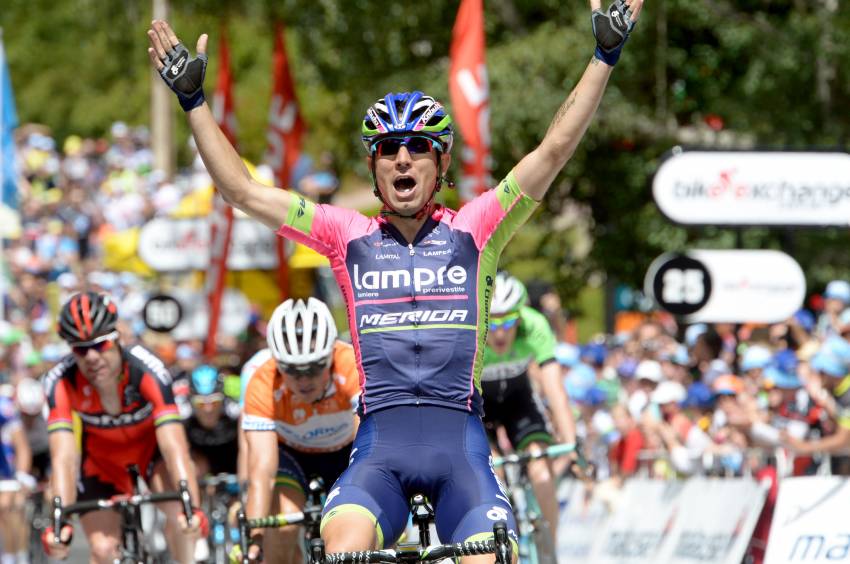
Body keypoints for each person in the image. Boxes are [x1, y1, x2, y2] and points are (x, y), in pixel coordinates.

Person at [146, 1, 642, 559]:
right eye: (387, 148)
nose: (402, 159)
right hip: (379, 452)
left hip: (462, 450)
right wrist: (193, 102)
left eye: (417, 147)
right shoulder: (344, 235)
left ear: (441, 161)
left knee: (488, 555)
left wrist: (604, 55)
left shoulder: (479, 229)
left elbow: (552, 151)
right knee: (342, 548)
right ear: (374, 167)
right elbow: (242, 191)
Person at [41, 292, 206, 563]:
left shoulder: (147, 369)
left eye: (100, 345)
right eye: (80, 349)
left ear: (116, 337)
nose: (92, 357)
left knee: (183, 521)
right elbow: (64, 459)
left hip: (153, 458)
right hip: (102, 466)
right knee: (104, 550)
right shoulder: (60, 381)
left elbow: (174, 447)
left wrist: (193, 508)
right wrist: (59, 522)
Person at [239, 298, 359, 563]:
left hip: (346, 452)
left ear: (330, 355)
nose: (304, 380)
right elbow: (261, 471)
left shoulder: (351, 363)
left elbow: (370, 443)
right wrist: (254, 535)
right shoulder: (262, 381)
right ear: (277, 363)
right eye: (292, 370)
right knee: (282, 525)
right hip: (292, 456)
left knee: (356, 531)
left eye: (315, 368)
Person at [481, 272, 577, 542]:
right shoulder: (471, 333)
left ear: (520, 316)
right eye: (493, 323)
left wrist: (572, 445)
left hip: (518, 399)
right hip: (479, 405)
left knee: (541, 468)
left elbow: (555, 390)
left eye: (509, 321)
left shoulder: (535, 325)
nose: (500, 333)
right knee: (491, 470)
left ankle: (549, 550)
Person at [181, 364, 240, 477]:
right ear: (191, 402)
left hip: (234, 467)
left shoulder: (235, 413)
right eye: (200, 403)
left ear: (223, 399)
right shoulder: (183, 417)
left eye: (215, 402)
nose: (208, 409)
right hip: (199, 470)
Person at [0, 385, 34, 564]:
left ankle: (18, 556)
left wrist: (21, 474)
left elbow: (21, 446)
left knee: (9, 507)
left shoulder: (3, 408)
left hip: (8, 471)